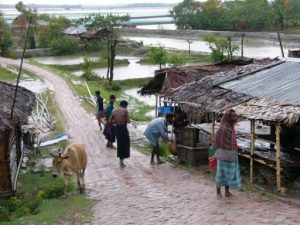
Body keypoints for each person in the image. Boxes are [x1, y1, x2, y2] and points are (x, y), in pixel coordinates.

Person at [213, 108, 241, 198]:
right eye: (233, 116)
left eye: (235, 116)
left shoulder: (231, 127)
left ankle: (227, 192)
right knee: (221, 173)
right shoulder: (223, 128)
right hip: (222, 153)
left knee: (229, 173)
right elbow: (217, 140)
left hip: (231, 153)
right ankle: (218, 192)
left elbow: (233, 140)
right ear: (228, 117)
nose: (235, 118)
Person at [109, 100, 130, 168]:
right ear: (124, 105)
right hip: (123, 128)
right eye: (126, 106)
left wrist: (116, 121)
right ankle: (121, 161)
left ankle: (121, 161)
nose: (126, 107)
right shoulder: (125, 110)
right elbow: (128, 121)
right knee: (125, 144)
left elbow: (110, 121)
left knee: (120, 144)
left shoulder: (114, 110)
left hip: (117, 128)